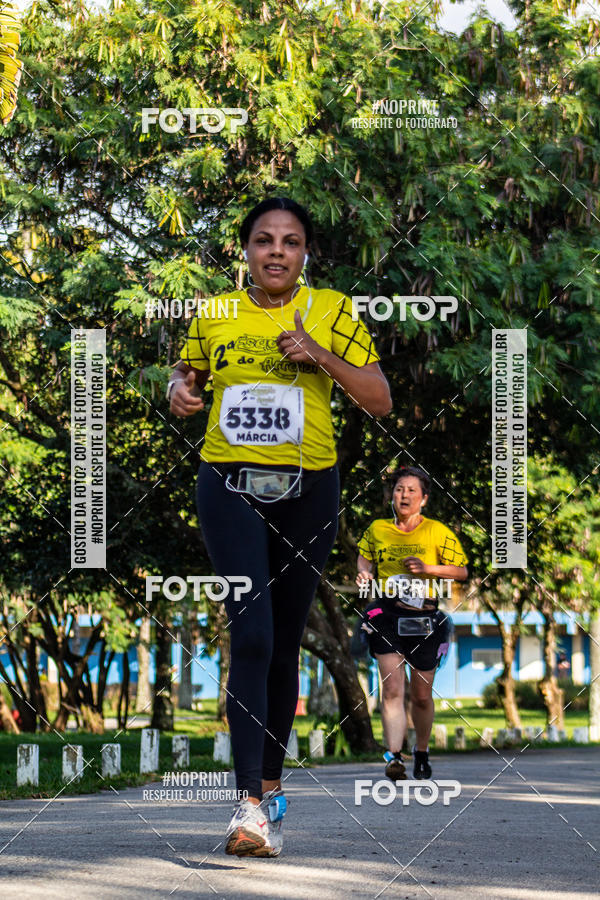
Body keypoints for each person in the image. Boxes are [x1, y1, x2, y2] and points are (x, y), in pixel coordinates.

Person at [168, 197, 392, 857]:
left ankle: (269, 799)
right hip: (229, 482)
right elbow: (189, 375)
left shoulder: (335, 310)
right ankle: (246, 808)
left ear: (305, 255)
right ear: (246, 251)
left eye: (290, 242)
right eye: (264, 240)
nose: (276, 252)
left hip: (308, 488)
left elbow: (377, 397)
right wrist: (178, 390)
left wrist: (318, 354)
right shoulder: (215, 313)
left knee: (287, 640)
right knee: (254, 634)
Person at [356, 466, 468, 781]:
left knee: (420, 695)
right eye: (399, 489)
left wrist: (427, 568)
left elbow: (460, 571)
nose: (403, 495)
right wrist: (365, 572)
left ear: (424, 499)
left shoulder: (437, 531)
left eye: (411, 491)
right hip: (387, 614)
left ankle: (421, 751)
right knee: (392, 688)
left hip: (425, 619)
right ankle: (393, 757)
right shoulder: (377, 528)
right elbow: (365, 556)